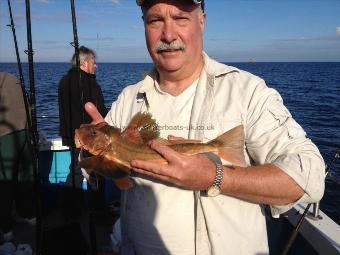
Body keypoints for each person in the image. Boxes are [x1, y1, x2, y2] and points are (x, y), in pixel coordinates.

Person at [84, 0, 325, 254]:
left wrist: (217, 176)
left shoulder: (247, 92)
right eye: (155, 21)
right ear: (143, 25)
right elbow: (105, 172)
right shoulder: (128, 99)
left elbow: (310, 175)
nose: (168, 34)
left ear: (202, 21)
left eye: (180, 18)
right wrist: (95, 153)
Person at [58, 46, 108, 217]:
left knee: (76, 171)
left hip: (71, 135)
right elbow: (101, 114)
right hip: (90, 138)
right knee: (97, 173)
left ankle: (70, 211)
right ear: (84, 62)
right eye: (94, 61)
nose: (96, 66)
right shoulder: (90, 83)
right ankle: (100, 211)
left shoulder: (64, 81)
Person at [0, 72, 35, 243]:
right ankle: (27, 214)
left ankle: (5, 229)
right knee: (24, 178)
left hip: (5, 137)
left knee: (4, 183)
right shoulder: (12, 78)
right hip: (24, 132)